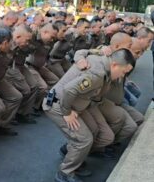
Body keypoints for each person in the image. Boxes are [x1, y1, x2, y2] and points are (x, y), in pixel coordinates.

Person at [45, 49, 135, 182]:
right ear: (115, 65)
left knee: (94, 131)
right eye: (123, 72)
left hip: (76, 104)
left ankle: (72, 154)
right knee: (84, 139)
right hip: (58, 104)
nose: (122, 76)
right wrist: (67, 112)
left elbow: (84, 52)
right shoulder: (97, 74)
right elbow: (68, 90)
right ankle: (64, 173)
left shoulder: (103, 61)